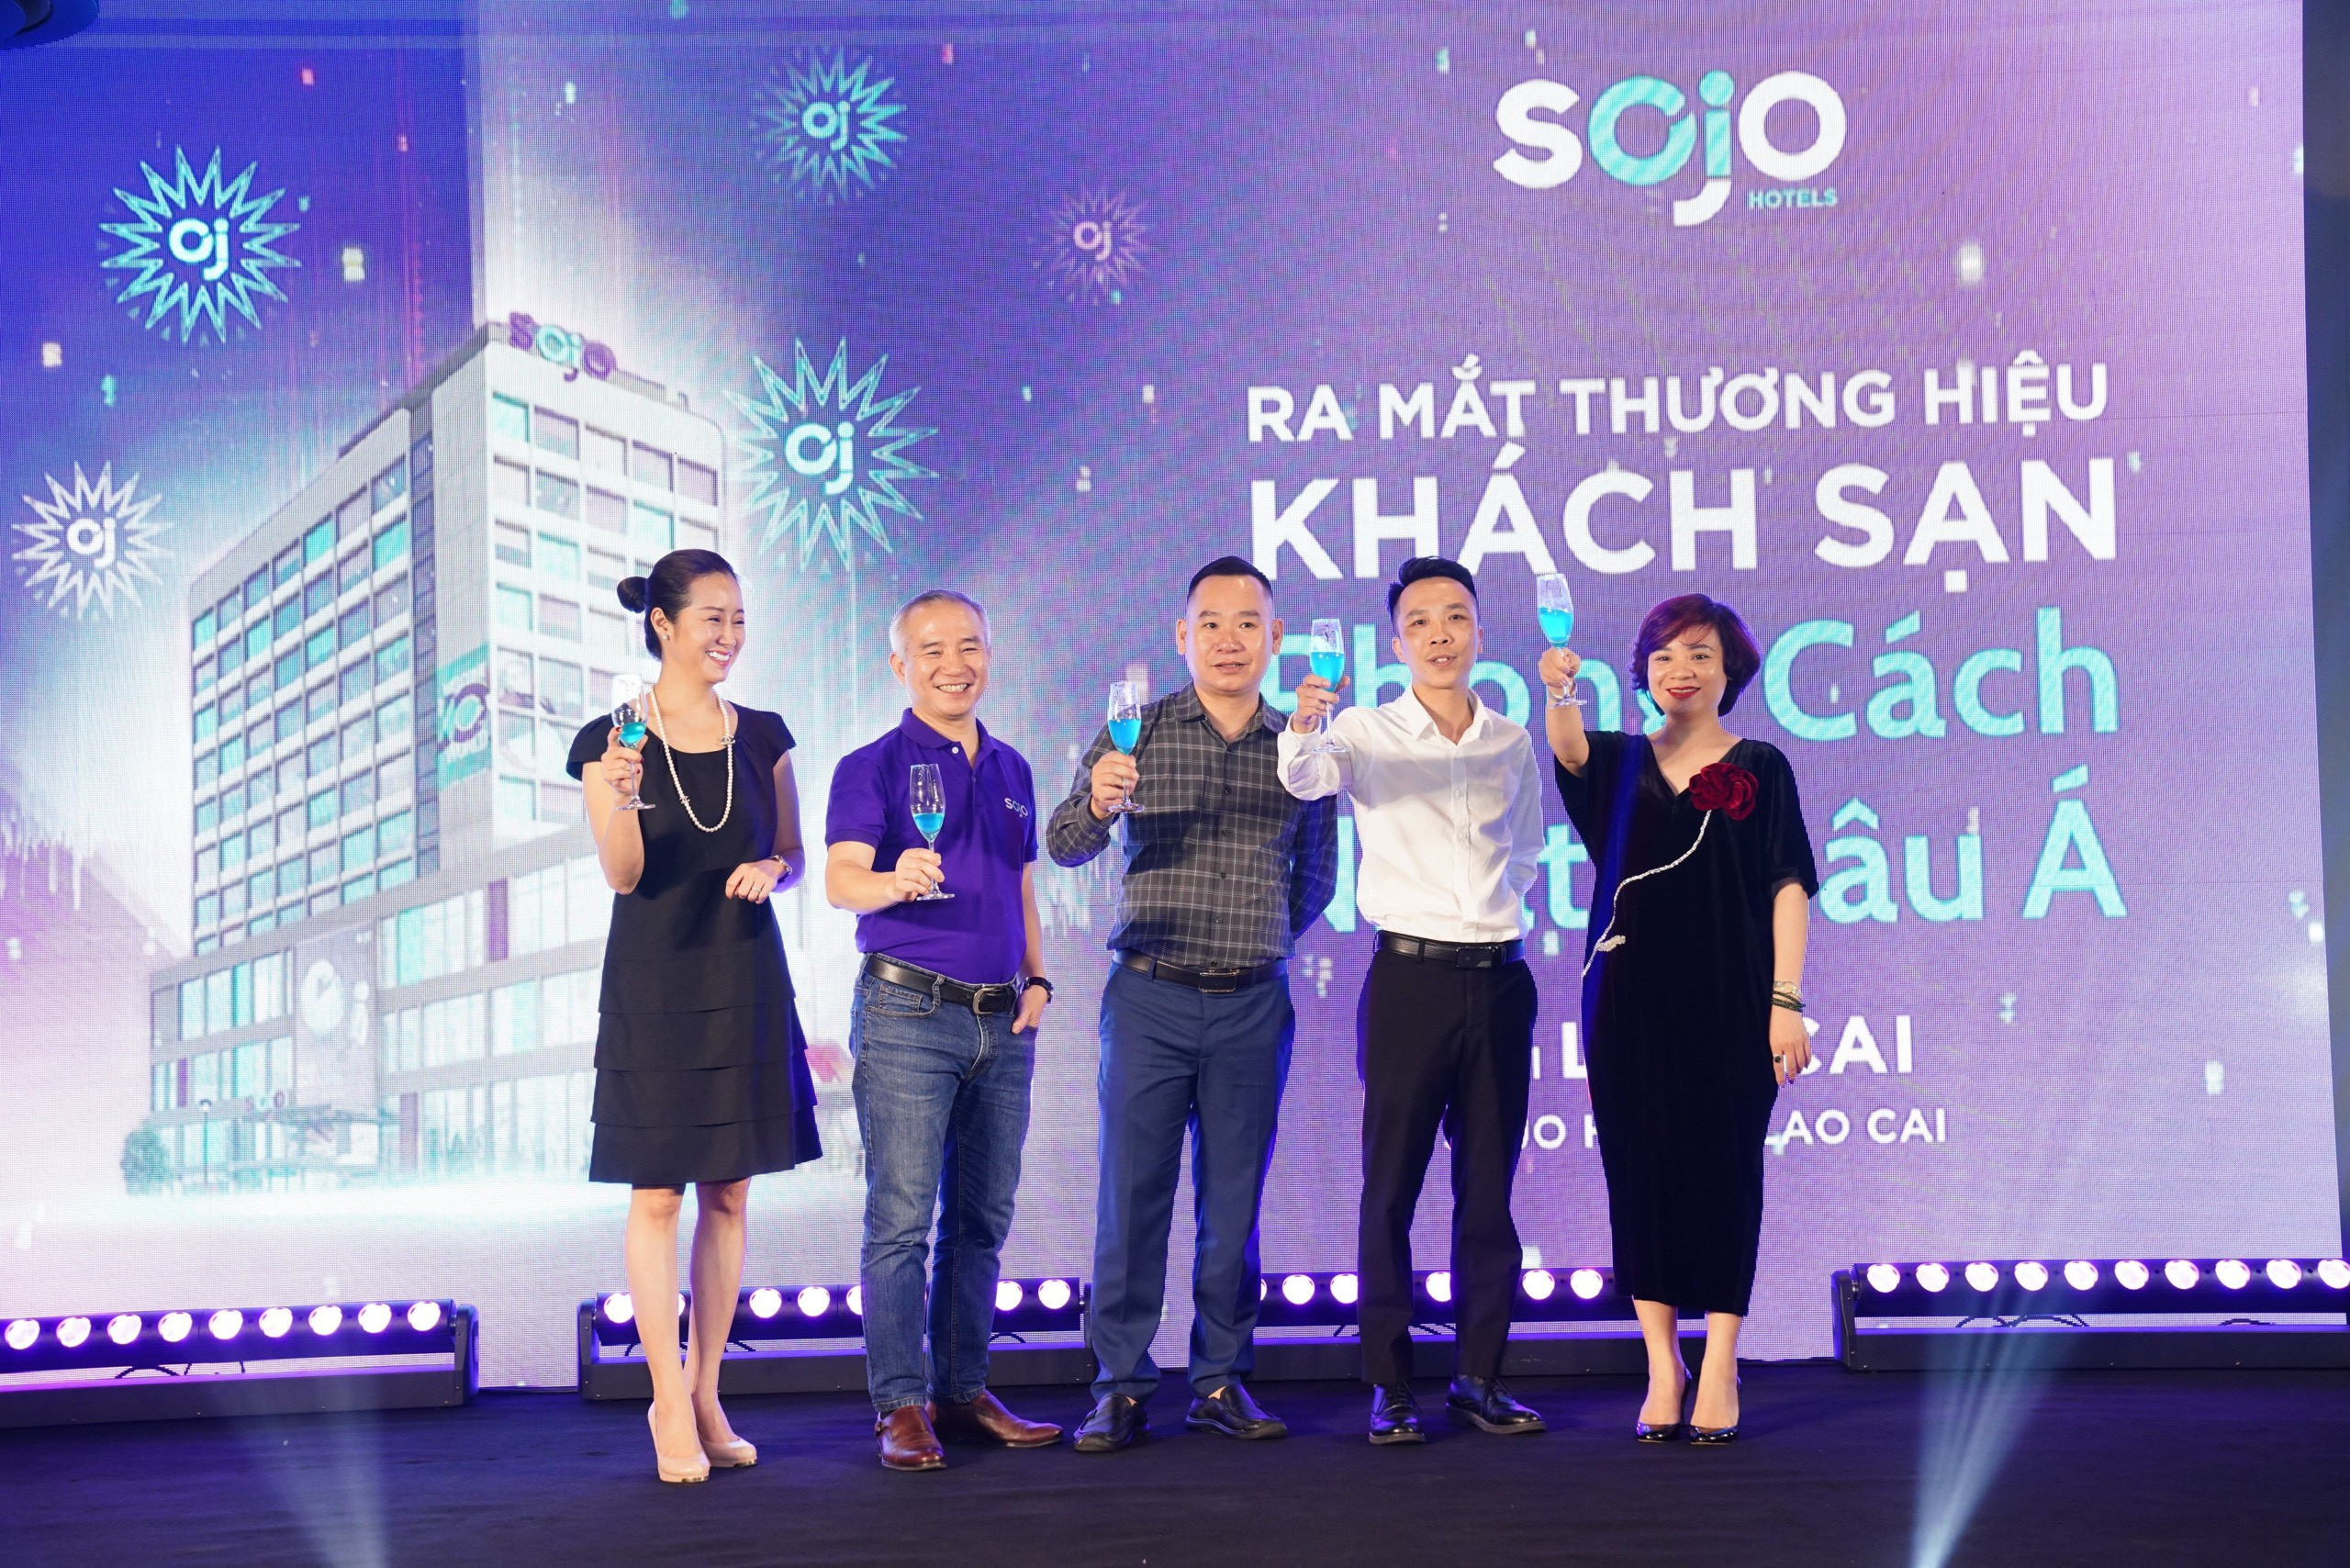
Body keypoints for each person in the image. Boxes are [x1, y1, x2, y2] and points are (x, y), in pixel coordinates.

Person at [1046, 556, 1339, 1454]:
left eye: (1246, 623)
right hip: (1149, 997)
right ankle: (1119, 1387)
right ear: (1183, 635)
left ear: (1274, 638)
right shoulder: (1135, 730)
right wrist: (1100, 806)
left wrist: (1256, 939)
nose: (1227, 640)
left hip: (1252, 1002)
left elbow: (1318, 875)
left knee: (1234, 1202)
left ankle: (1219, 1378)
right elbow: (1063, 842)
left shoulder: (1301, 741)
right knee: (1130, 1199)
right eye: (1209, 623)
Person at [1281, 555, 1550, 1446]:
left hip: (1501, 980)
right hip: (1409, 980)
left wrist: (1489, 922)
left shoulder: (1510, 740)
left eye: (1455, 617)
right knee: (1390, 1186)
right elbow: (1306, 778)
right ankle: (1390, 1383)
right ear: (1396, 643)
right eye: (1421, 622)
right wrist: (1305, 723)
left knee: (1489, 1190)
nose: (1440, 635)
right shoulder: (1365, 729)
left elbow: (1525, 852)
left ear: (1479, 632)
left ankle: (1480, 1376)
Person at [566, 549, 822, 1485]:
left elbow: (793, 851)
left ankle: (708, 1391)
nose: (729, 635)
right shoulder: (611, 738)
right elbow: (623, 873)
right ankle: (666, 1399)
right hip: (655, 979)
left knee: (730, 1194)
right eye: (712, 617)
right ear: (663, 624)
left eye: (738, 617)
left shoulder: (764, 735)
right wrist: (622, 789)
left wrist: (775, 869)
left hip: (744, 972)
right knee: (656, 1196)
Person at [1541, 593, 1818, 1445]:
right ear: (1643, 672)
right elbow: (1568, 749)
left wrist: (1785, 1001)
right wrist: (1558, 689)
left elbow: (1787, 886)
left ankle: (1722, 1359)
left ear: (1730, 669)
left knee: (1726, 1176)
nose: (1681, 670)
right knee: (1641, 1177)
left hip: (1735, 1003)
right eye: (1663, 656)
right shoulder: (1619, 761)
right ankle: (1664, 1364)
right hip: (1627, 1005)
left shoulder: (1762, 766)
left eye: (1700, 654)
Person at [823, 588, 1062, 1472]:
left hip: (1003, 1018)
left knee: (981, 1221)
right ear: (901, 666)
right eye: (931, 650)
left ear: (989, 655)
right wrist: (894, 879)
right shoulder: (872, 766)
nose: (953, 665)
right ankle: (900, 1405)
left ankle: (962, 1392)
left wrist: (1037, 979)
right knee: (900, 1220)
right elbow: (841, 880)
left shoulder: (1013, 768)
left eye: (969, 646)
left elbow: (1023, 884)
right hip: (907, 1013)